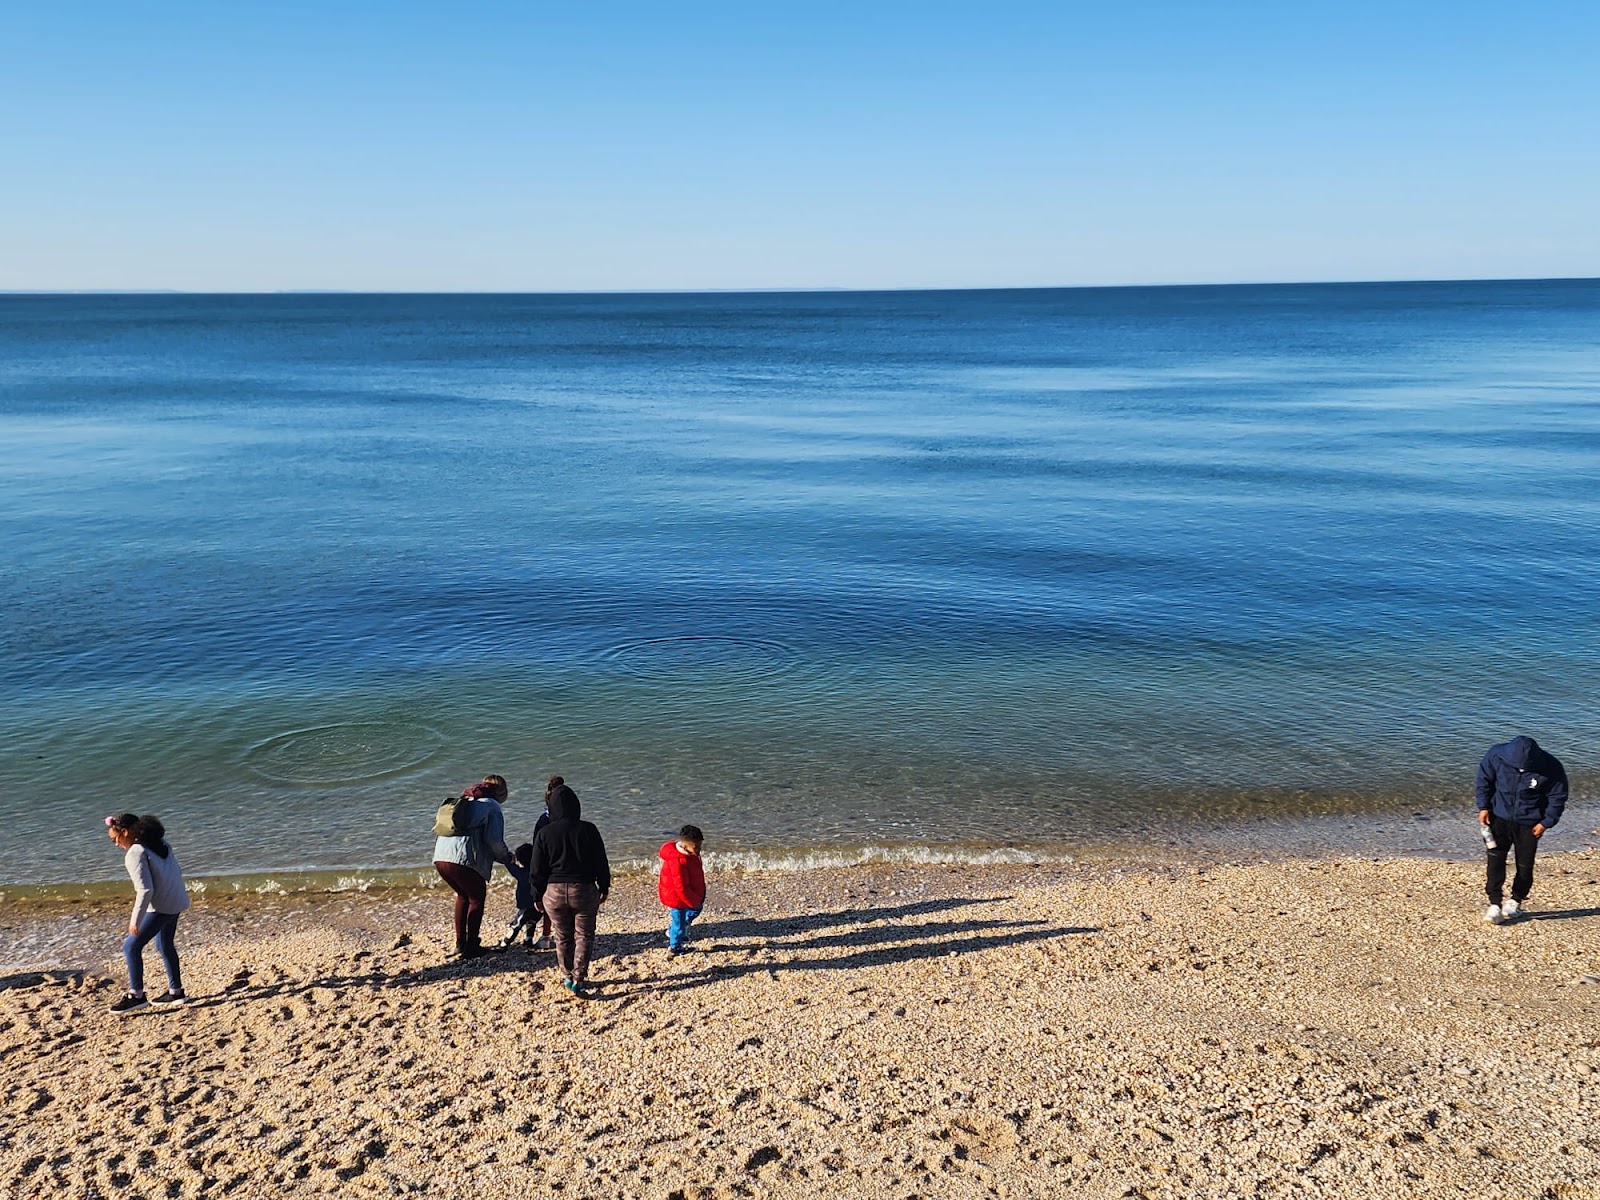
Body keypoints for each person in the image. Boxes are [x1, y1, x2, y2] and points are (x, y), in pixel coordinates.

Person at [528, 782, 610, 996]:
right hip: (583, 889)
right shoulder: (589, 829)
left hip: (554, 891)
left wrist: (536, 894)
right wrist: (604, 885)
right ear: (577, 806)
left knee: (563, 936)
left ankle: (567, 975)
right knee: (584, 935)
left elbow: (537, 869)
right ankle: (578, 978)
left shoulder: (544, 833)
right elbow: (601, 861)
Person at [1476, 735, 1569, 923]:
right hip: (1498, 817)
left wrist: (1546, 823)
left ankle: (1516, 901)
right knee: (1495, 860)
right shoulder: (1495, 755)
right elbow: (1484, 781)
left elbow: (1557, 797)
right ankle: (1494, 902)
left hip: (1530, 824)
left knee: (1525, 865)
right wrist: (1484, 807)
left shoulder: (1551, 766)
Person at [105, 813, 192, 1013]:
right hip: (177, 901)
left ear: (125, 832)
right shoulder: (161, 844)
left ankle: (136, 995)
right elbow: (176, 873)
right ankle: (176, 992)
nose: (116, 844)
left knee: (131, 946)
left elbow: (145, 890)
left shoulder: (136, 853)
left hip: (161, 907)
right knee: (164, 945)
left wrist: (135, 920)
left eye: (115, 839)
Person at [433, 773, 516, 957]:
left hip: (440, 857)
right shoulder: (492, 806)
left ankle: (460, 943)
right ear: (501, 792)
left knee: (463, 896)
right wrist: (507, 857)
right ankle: (472, 947)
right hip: (462, 860)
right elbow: (494, 842)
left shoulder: (465, 801)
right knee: (477, 898)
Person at [658, 824, 706, 956]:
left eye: (700, 846)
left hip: (689, 891)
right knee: (678, 921)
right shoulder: (678, 861)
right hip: (675, 896)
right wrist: (691, 901)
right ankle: (675, 947)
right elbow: (680, 887)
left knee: (695, 910)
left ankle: (677, 931)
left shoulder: (691, 854)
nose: (698, 850)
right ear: (685, 846)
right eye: (696, 847)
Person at [499, 843, 540, 949]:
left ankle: (504, 944)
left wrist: (509, 860)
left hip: (526, 905)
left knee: (516, 924)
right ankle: (528, 940)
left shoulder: (522, 873)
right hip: (538, 904)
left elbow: (511, 867)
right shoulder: (537, 871)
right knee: (532, 922)